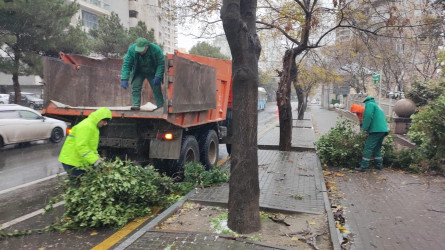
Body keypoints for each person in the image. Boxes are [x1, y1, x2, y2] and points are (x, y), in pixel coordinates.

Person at [59, 107, 112, 180]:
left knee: (82, 183)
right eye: (104, 121)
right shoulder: (86, 126)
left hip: (78, 161)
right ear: (100, 118)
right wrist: (94, 160)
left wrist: (97, 157)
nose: (105, 124)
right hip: (72, 161)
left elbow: (91, 147)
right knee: (78, 184)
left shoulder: (94, 127)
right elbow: (81, 146)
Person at [120, 37, 165, 110]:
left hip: (152, 71)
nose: (140, 52)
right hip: (139, 71)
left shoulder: (156, 49)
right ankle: (136, 105)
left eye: (142, 50)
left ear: (147, 46)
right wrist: (124, 78)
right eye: (139, 50)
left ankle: (160, 106)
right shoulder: (132, 49)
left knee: (156, 88)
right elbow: (127, 64)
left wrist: (158, 76)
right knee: (135, 87)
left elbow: (161, 63)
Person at [355, 96, 389, 172]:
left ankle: (364, 166)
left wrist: (364, 129)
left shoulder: (369, 104)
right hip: (383, 130)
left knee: (368, 147)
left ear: (366, 101)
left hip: (376, 130)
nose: (365, 105)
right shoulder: (377, 106)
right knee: (377, 148)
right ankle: (379, 165)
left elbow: (368, 116)